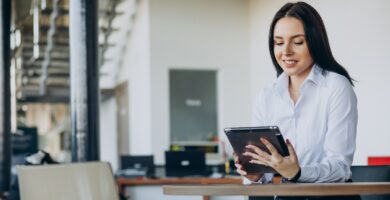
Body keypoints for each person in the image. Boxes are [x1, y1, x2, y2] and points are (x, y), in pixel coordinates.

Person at [234, 2, 360, 200]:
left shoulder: (336, 87)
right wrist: (256, 174)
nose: (286, 51)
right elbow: (268, 170)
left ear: (315, 42)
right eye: (279, 42)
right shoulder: (266, 96)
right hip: (287, 197)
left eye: (298, 42)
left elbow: (340, 167)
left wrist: (297, 172)